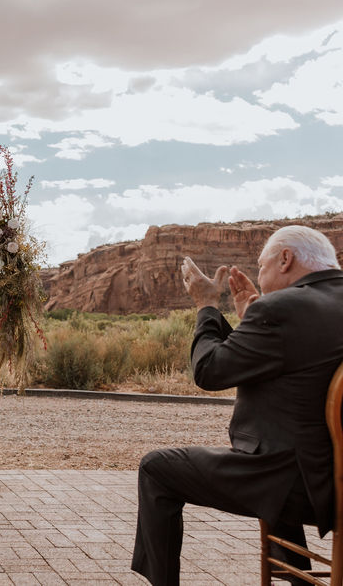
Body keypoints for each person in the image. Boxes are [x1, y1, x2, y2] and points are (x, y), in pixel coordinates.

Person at [131, 225, 343, 585]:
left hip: (309, 488)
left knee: (156, 469)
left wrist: (207, 306)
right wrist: (251, 324)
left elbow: (209, 371)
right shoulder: (308, 307)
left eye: (262, 267)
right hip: (331, 472)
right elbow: (300, 372)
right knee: (282, 448)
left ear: (286, 259)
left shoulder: (282, 309)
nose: (259, 277)